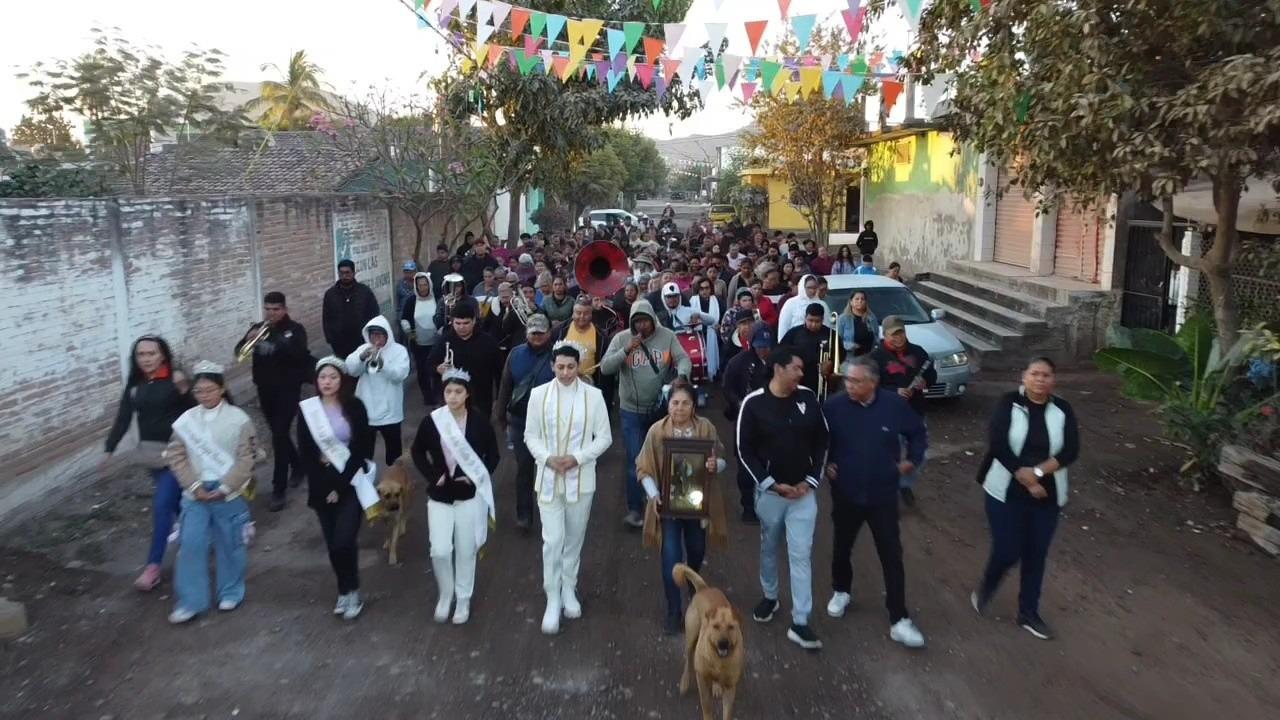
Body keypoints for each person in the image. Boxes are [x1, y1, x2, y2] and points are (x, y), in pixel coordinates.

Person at [823, 357, 928, 648]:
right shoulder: (833, 407)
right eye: (847, 380)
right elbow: (819, 439)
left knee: (891, 555)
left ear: (873, 383)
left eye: (855, 381)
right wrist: (826, 463)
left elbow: (917, 433)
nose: (849, 386)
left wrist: (912, 460)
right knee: (841, 547)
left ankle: (899, 618)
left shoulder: (894, 406)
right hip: (846, 493)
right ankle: (841, 590)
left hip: (882, 495)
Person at [972, 357, 1080, 641]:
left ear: (1053, 380)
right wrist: (1025, 478)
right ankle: (987, 586)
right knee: (1008, 550)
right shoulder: (1008, 403)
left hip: (1048, 493)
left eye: (1046, 375)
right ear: (1024, 377)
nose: (1040, 379)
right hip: (1004, 490)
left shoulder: (1062, 409)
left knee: (1036, 554)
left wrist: (1037, 473)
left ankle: (1028, 613)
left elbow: (1071, 450)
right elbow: (998, 444)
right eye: (1035, 374)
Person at [736, 347, 830, 650]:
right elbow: (744, 449)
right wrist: (770, 483)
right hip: (770, 496)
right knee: (769, 546)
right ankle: (771, 596)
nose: (802, 374)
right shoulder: (753, 404)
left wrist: (811, 480)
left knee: (801, 554)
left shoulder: (807, 398)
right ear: (779, 369)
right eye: (797, 368)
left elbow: (822, 441)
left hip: (804, 496)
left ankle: (801, 621)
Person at [524, 344, 613, 635]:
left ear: (579, 367)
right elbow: (530, 436)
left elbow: (604, 438)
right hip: (548, 479)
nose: (565, 372)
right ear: (552, 366)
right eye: (560, 367)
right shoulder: (538, 396)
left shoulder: (594, 396)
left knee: (574, 539)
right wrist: (548, 459)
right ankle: (552, 596)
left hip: (581, 478)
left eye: (570, 367)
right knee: (552, 541)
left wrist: (578, 458)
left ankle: (568, 589)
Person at [164, 362, 256, 624]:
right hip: (196, 492)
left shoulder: (239, 419)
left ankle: (230, 591)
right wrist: (194, 486)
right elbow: (176, 455)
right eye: (199, 391)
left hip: (229, 490)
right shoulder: (186, 421)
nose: (204, 396)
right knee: (191, 545)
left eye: (210, 390)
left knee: (230, 543)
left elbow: (246, 457)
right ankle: (191, 600)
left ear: (222, 388)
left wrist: (227, 486)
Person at [102, 335, 193, 592]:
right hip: (151, 455)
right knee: (178, 503)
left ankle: (153, 566)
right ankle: (207, 531)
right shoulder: (135, 386)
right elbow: (123, 418)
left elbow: (196, 410)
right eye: (141, 355)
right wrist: (109, 449)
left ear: (162, 355)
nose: (146, 359)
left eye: (151, 354)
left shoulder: (176, 379)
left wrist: (185, 390)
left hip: (177, 453)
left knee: (162, 505)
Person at [637, 381, 729, 634]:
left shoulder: (705, 428)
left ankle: (693, 585)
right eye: (675, 403)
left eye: (685, 403)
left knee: (697, 550)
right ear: (668, 404)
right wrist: (654, 495)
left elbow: (721, 458)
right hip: (667, 507)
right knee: (670, 557)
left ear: (693, 405)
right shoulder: (657, 431)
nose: (679, 408)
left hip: (697, 506)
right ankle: (673, 610)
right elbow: (643, 468)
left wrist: (714, 465)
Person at [412, 369, 501, 625]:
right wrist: (433, 476)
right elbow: (417, 451)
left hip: (469, 496)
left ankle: (463, 598)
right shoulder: (432, 421)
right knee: (439, 550)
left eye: (458, 392)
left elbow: (493, 457)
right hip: (440, 494)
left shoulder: (479, 422)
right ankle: (445, 593)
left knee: (465, 550)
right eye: (448, 392)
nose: (452, 397)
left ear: (467, 394)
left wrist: (475, 478)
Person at [600, 299, 692, 529]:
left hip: (660, 409)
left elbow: (683, 358)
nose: (642, 325)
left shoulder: (667, 336)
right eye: (637, 321)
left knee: (666, 457)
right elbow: (605, 367)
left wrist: (681, 375)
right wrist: (625, 350)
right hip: (631, 410)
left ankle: (667, 503)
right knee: (635, 460)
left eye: (645, 320)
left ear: (653, 319)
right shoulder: (621, 338)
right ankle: (635, 509)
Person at [297, 357, 373, 621]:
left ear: (342, 380)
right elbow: (305, 452)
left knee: (344, 540)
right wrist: (323, 483)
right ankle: (344, 590)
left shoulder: (355, 407)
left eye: (333, 377)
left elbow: (363, 448)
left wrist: (340, 486)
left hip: (350, 482)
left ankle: (354, 592)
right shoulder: (308, 410)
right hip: (320, 484)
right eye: (322, 377)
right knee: (332, 544)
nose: (327, 382)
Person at [235, 292, 311, 512]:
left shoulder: (295, 330)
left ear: (284, 309)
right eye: (267, 309)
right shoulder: (258, 329)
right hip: (265, 391)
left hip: (288, 390)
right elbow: (239, 353)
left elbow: (298, 355)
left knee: (278, 436)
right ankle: (298, 466)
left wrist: (276, 338)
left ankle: (279, 489)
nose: (271, 313)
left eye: (276, 309)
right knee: (279, 433)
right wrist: (248, 339)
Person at [496, 313, 556, 530]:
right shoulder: (515, 354)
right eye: (533, 333)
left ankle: (549, 513)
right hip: (521, 422)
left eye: (541, 332)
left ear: (549, 333)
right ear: (526, 333)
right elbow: (505, 385)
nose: (537, 336)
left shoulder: (558, 356)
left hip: (551, 423)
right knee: (524, 467)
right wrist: (501, 415)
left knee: (548, 469)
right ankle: (524, 514)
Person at [869, 316, 937, 507]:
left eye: (901, 334)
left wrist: (926, 382)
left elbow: (932, 375)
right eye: (893, 335)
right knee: (888, 454)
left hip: (914, 411)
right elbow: (871, 385)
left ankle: (904, 484)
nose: (898, 339)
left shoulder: (918, 352)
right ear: (885, 335)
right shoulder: (876, 357)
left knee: (919, 454)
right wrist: (894, 391)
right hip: (888, 413)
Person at [722, 323, 773, 523]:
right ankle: (748, 507)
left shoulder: (777, 361)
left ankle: (768, 505)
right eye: (760, 345)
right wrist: (738, 402)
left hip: (771, 421)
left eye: (767, 345)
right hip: (746, 420)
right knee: (745, 467)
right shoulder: (738, 362)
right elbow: (727, 386)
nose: (764, 350)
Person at [345, 317, 411, 466]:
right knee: (365, 452)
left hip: (390, 411)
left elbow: (400, 375)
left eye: (379, 335)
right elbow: (351, 370)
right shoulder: (363, 349)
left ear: (387, 334)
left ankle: (394, 482)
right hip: (367, 408)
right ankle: (366, 481)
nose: (376, 338)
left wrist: (383, 365)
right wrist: (361, 358)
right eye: (372, 335)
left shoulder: (399, 351)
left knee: (394, 452)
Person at [428, 299, 502, 420]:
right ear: (452, 322)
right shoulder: (444, 341)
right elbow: (430, 363)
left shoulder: (488, 342)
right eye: (458, 323)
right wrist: (437, 368)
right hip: (453, 400)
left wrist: (499, 400)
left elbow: (499, 372)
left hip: (481, 399)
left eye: (466, 323)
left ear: (474, 321)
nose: (462, 327)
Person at [322, 259, 380, 358]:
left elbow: (374, 314)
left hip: (362, 341)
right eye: (341, 273)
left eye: (347, 273)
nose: (344, 276)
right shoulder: (330, 294)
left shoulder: (364, 292)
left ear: (353, 273)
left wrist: (372, 337)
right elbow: (326, 318)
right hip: (339, 344)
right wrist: (330, 339)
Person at [400, 272, 441, 407]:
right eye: (420, 285)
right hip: (418, 342)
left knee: (436, 368)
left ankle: (437, 393)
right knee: (422, 369)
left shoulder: (438, 299)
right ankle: (427, 395)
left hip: (436, 342)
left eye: (425, 285)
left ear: (429, 285)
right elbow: (405, 318)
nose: (423, 288)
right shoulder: (411, 301)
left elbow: (443, 316)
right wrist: (408, 330)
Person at [781, 303, 833, 396]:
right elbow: (781, 351)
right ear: (805, 318)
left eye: (817, 321)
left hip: (821, 380)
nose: (813, 324)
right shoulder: (794, 333)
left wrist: (831, 363)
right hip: (798, 379)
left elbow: (840, 354)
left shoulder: (831, 334)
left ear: (822, 320)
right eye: (810, 320)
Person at [554, 297, 607, 387]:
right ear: (573, 314)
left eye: (586, 313)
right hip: (563, 380)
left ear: (591, 314)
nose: (582, 316)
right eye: (578, 313)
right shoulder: (560, 330)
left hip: (588, 382)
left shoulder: (600, 335)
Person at [683, 277, 722, 379]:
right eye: (702, 289)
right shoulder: (693, 300)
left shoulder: (718, 300)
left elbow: (722, 318)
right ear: (698, 290)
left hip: (714, 334)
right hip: (698, 335)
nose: (704, 291)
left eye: (707, 288)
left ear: (711, 288)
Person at [776, 274, 829, 339]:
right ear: (802, 287)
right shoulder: (791, 303)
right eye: (809, 288)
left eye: (815, 288)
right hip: (795, 343)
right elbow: (783, 327)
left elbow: (827, 326)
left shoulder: (822, 304)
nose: (812, 291)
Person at [836, 291, 880, 362]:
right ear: (851, 302)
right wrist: (850, 345)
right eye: (857, 299)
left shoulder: (871, 318)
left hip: (869, 359)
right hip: (850, 359)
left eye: (862, 299)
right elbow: (837, 340)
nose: (860, 301)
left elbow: (876, 336)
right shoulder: (843, 319)